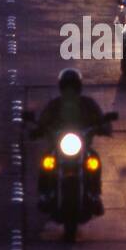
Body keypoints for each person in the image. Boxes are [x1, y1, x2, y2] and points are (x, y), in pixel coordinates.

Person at [32, 68, 109, 206]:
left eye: (73, 86)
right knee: (46, 161)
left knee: (94, 160)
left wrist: (103, 126)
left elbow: (99, 118)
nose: (70, 90)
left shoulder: (87, 104)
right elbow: (43, 119)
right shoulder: (54, 105)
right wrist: (38, 128)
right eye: (67, 86)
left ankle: (95, 193)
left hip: (82, 145)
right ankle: (44, 193)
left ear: (78, 87)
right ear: (61, 87)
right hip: (59, 145)